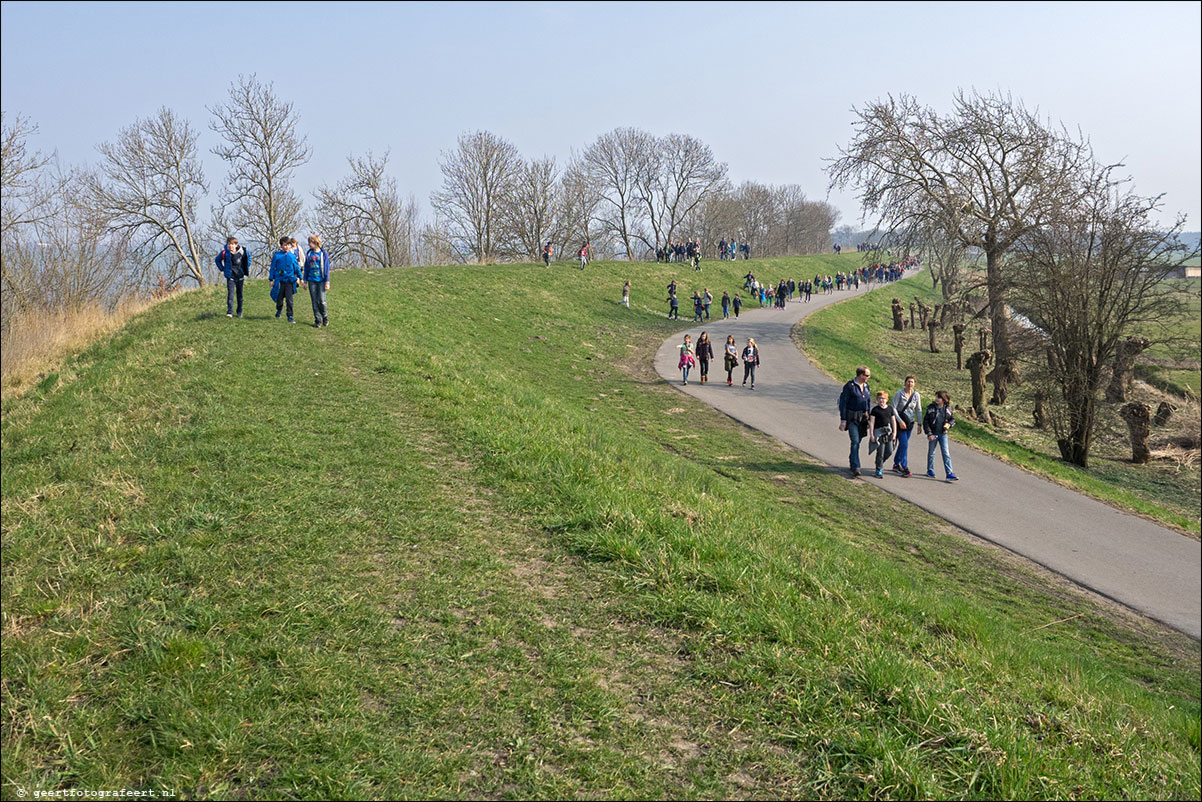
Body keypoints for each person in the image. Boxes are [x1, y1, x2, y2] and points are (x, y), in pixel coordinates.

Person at [837, 365, 873, 477]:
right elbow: (843, 404)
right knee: (855, 440)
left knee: (859, 440)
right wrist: (843, 420)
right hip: (852, 417)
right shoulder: (850, 386)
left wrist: (869, 418)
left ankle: (852, 458)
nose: (868, 377)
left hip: (863, 418)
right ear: (860, 375)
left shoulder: (866, 386)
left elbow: (867, 402)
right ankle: (856, 467)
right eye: (867, 375)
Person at [923, 390, 958, 480]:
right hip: (933, 434)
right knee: (931, 452)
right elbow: (926, 421)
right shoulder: (931, 408)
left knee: (946, 453)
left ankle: (949, 473)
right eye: (936, 397)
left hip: (943, 434)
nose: (936, 399)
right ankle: (930, 470)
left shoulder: (948, 409)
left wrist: (949, 425)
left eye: (938, 397)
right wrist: (929, 433)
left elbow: (953, 420)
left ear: (944, 399)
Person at [890, 375, 921, 477]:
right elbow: (893, 408)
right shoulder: (899, 393)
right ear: (905, 382)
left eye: (912, 382)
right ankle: (904, 466)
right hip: (900, 423)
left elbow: (918, 410)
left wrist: (919, 424)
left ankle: (896, 464)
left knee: (904, 444)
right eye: (908, 381)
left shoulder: (916, 395)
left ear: (914, 384)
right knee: (904, 444)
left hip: (910, 423)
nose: (910, 384)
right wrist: (899, 421)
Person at [215, 236, 250, 318]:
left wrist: (246, 267)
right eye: (229, 244)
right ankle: (230, 312)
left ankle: (239, 312)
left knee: (239, 295)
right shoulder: (225, 253)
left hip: (240, 276)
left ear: (236, 245)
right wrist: (222, 269)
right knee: (230, 295)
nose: (230, 246)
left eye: (232, 244)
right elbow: (217, 260)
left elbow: (249, 258)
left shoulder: (242, 251)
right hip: (230, 277)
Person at [269, 236, 301, 322]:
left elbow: (296, 267)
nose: (286, 247)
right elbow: (272, 268)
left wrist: (300, 277)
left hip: (289, 281)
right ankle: (279, 310)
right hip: (279, 281)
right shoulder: (277, 256)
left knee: (289, 300)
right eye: (284, 245)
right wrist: (271, 279)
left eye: (288, 245)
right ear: (281, 246)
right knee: (279, 299)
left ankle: (290, 316)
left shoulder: (292, 256)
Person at [867, 391, 898, 478]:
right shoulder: (875, 410)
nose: (881, 400)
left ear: (887, 400)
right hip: (879, 433)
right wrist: (872, 435)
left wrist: (894, 433)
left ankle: (879, 463)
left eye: (883, 398)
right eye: (880, 398)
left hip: (888, 433)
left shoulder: (890, 409)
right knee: (880, 452)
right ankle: (879, 469)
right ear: (877, 399)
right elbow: (872, 423)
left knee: (889, 451)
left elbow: (893, 421)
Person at [302, 234, 331, 327]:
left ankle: (325, 316)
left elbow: (326, 267)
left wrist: (327, 281)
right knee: (314, 301)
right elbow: (306, 267)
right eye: (309, 243)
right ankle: (318, 320)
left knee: (322, 300)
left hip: (321, 280)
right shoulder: (309, 254)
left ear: (316, 243)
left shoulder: (323, 254)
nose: (309, 244)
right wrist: (305, 281)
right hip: (311, 280)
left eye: (310, 242)